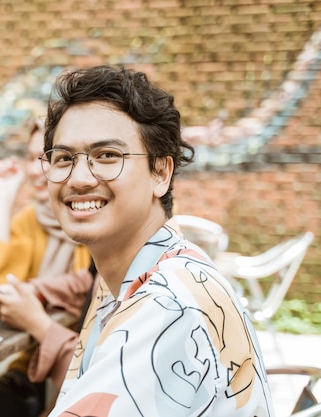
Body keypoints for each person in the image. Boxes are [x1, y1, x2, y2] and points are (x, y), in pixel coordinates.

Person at [39, 65, 275, 416]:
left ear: (161, 173)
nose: (80, 178)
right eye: (64, 159)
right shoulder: (135, 277)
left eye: (107, 156)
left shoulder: (166, 304)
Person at [0, 117, 94, 417]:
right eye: (30, 158)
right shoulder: (30, 219)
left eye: (50, 157)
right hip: (33, 361)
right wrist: (4, 195)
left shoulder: (102, 224)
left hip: (80, 363)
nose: (35, 169)